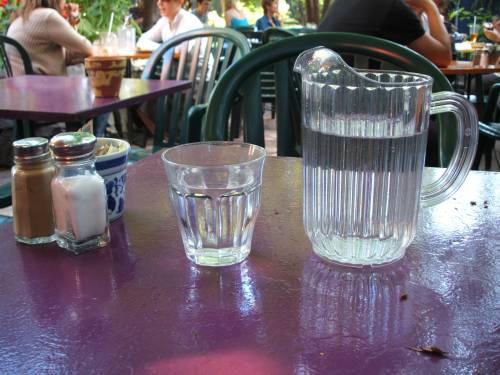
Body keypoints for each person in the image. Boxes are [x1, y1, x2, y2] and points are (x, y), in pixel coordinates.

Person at [318, 0, 452, 67]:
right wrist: (430, 6)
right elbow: (443, 57)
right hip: (363, 109)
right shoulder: (391, 7)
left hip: (316, 104)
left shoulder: (341, 2)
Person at [7, 0, 92, 76]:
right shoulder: (47, 16)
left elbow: (67, 55)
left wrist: (72, 22)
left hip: (22, 89)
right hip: (46, 89)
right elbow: (87, 47)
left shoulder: (19, 19)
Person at [137, 0, 203, 51]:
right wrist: (164, 48)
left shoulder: (190, 21)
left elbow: (179, 50)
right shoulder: (164, 21)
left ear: (180, 1)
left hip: (198, 68)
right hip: (176, 66)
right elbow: (141, 41)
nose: (159, 3)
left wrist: (160, 49)